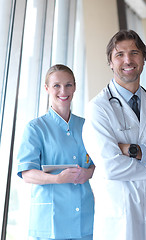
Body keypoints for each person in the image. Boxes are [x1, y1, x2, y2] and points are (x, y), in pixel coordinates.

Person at [82, 30, 146, 240]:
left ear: (144, 59)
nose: (128, 60)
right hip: (121, 216)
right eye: (119, 54)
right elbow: (111, 166)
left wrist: (131, 150)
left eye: (134, 52)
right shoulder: (98, 108)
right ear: (110, 62)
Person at [17, 64, 95, 240]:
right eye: (56, 86)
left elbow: (98, 162)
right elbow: (27, 173)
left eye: (68, 85)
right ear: (46, 88)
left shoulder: (86, 126)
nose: (63, 91)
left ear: (75, 87)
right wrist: (57, 179)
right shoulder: (36, 128)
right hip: (50, 221)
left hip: (84, 218)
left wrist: (88, 173)